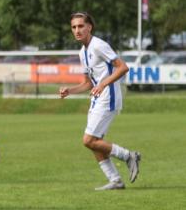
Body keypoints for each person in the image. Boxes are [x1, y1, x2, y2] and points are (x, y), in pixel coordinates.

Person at [59, 12, 141, 190]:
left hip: (108, 97)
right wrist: (70, 90)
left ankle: (129, 156)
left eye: (81, 26)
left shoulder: (98, 45)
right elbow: (88, 83)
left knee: (88, 140)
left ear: (89, 27)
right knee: (95, 142)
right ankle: (115, 180)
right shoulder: (83, 52)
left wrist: (103, 84)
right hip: (97, 99)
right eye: (74, 27)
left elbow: (123, 67)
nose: (77, 30)